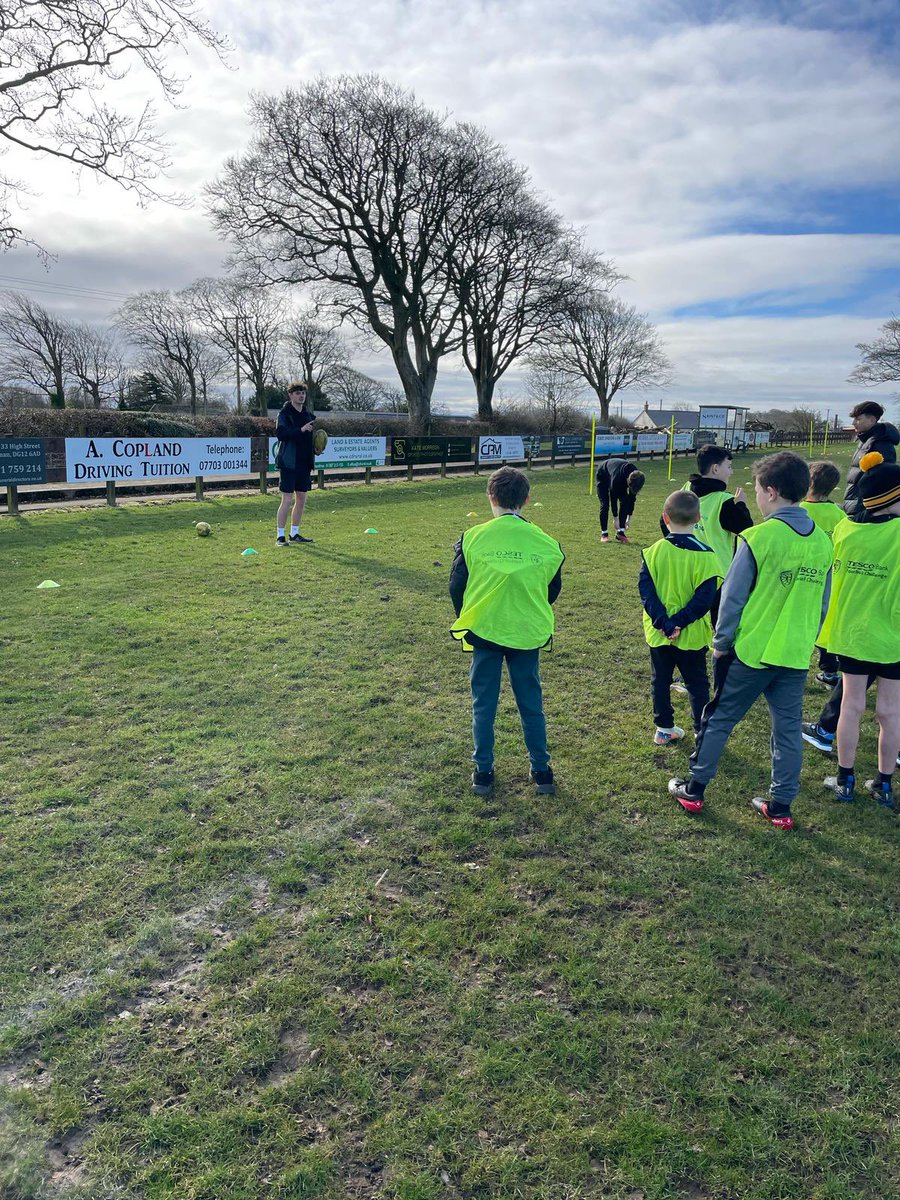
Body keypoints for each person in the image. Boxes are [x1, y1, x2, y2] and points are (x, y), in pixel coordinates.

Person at [668, 452, 833, 830]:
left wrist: (721, 643)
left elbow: (732, 599)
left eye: (758, 489)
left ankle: (693, 789)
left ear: (771, 492)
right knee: (788, 730)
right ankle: (780, 806)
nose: (756, 497)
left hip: (750, 652)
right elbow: (822, 605)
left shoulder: (758, 538)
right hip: (794, 653)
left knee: (720, 717)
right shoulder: (823, 542)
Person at [449, 467, 564, 797]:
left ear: (490, 497)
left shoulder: (472, 537)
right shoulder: (547, 543)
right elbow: (551, 588)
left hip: (485, 631)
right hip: (527, 633)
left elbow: (457, 586)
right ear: (527, 500)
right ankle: (541, 771)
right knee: (531, 703)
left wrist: (470, 618)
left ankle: (483, 772)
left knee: (483, 706)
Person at [816, 453, 900, 809]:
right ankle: (884, 784)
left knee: (851, 706)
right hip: (893, 637)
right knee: (890, 712)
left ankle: (845, 778)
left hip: (852, 634)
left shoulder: (844, 531)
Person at [639, 490, 720, 744]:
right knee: (697, 684)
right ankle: (701, 732)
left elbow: (646, 593)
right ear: (698, 518)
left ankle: (664, 728)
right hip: (690, 635)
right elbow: (705, 599)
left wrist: (665, 623)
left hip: (659, 633)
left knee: (660, 681)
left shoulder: (652, 552)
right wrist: (678, 623)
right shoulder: (707, 555)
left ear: (665, 518)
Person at [680, 443, 754, 582]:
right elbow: (747, 530)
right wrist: (741, 504)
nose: (731, 472)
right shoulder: (725, 502)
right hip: (715, 576)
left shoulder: (686, 488)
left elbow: (665, 520)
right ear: (715, 468)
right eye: (729, 466)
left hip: (686, 570)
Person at [801, 460, 845, 686]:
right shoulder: (840, 515)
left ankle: (791, 666)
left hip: (802, 580)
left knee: (801, 622)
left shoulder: (798, 511)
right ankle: (829, 672)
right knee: (825, 624)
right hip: (829, 581)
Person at [842, 401, 899, 519]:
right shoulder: (865, 441)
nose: (853, 423)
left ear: (872, 420)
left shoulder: (881, 445)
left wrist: (869, 510)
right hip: (854, 506)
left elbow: (882, 482)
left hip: (865, 510)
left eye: (858, 419)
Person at [275, 382, 316, 545]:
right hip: (288, 462)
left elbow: (307, 440)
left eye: (303, 393)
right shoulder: (284, 415)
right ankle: (280, 536)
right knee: (286, 499)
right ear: (290, 395)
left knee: (301, 499)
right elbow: (281, 434)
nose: (301, 396)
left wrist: (316, 449)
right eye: (298, 393)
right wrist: (301, 429)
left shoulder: (308, 415)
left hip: (304, 463)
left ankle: (295, 533)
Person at [596, 457, 645, 543]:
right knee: (605, 504)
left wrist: (629, 518)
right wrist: (615, 518)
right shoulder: (616, 479)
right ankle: (604, 534)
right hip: (603, 474)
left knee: (625, 502)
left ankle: (620, 533)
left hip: (621, 478)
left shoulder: (637, 477)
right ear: (628, 481)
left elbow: (632, 499)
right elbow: (613, 498)